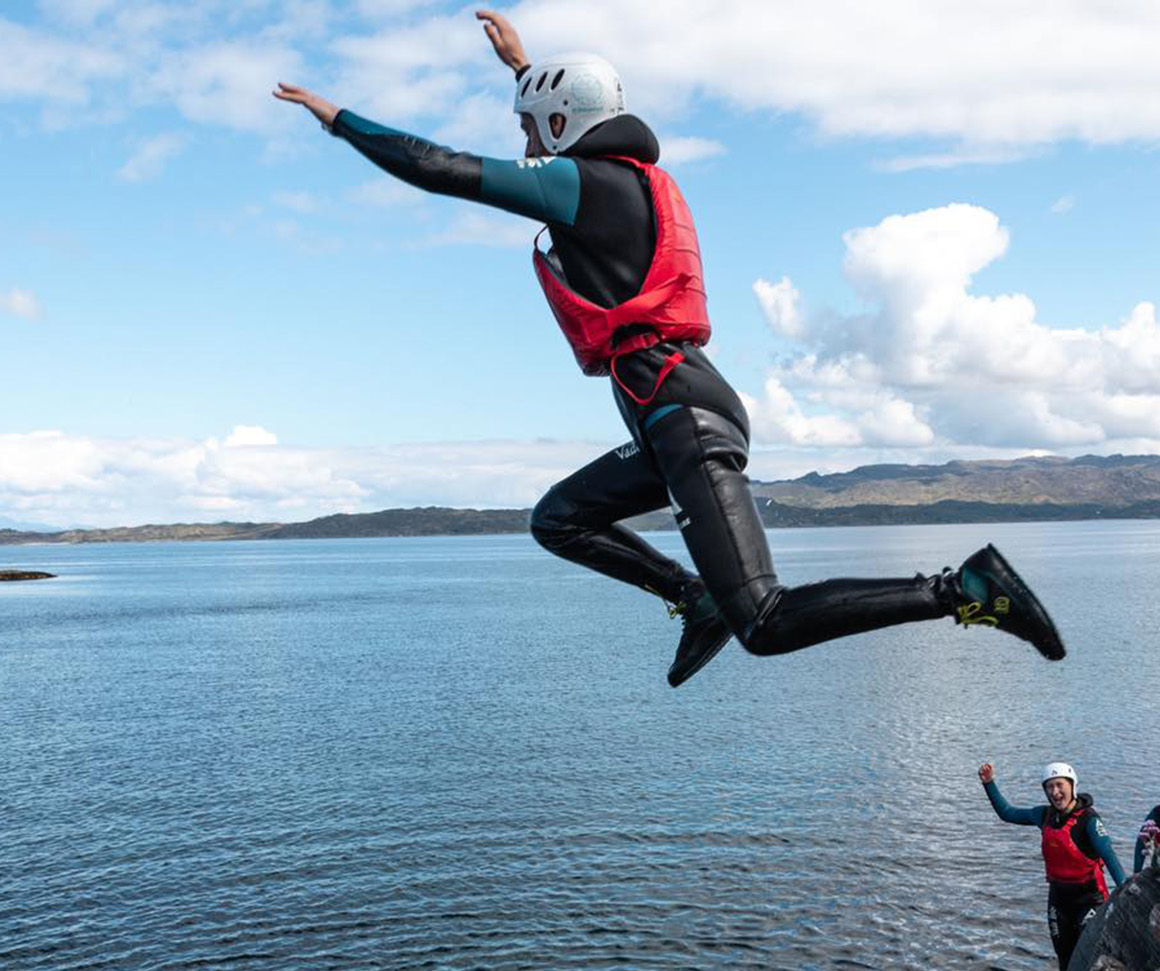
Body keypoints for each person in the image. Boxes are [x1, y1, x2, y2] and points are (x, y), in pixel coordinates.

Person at [272, 10, 1066, 687]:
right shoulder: (620, 180)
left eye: (531, 126)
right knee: (559, 519)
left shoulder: (589, 184)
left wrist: (342, 120)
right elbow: (559, 129)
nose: (523, 143)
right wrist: (523, 69)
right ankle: (694, 598)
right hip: (668, 413)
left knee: (767, 619)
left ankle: (963, 588)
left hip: (681, 411)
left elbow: (442, 169)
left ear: (558, 129)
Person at [979, 760, 1126, 971]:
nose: (1055, 792)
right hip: (1058, 898)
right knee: (1064, 959)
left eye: (1060, 785)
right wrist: (989, 783)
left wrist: (1124, 889)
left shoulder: (1089, 821)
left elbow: (1109, 855)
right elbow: (1007, 813)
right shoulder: (1044, 815)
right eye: (1050, 787)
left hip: (1089, 898)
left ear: (1072, 786)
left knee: (1089, 955)